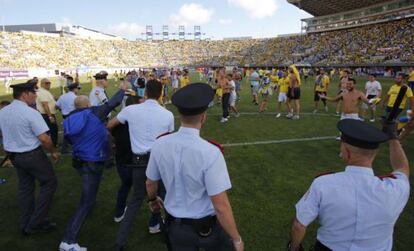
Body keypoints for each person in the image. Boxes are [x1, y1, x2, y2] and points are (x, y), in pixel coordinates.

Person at [146, 83, 244, 251]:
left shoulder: (159, 143)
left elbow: (150, 182)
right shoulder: (211, 152)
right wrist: (237, 239)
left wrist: (153, 199)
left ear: (179, 113)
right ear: (203, 117)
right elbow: (221, 205)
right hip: (207, 229)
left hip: (175, 227)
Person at [288, 119, 410, 251]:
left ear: (346, 152)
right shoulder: (396, 187)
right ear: (375, 154)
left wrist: (294, 247)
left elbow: (299, 225)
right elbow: (402, 168)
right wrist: (393, 138)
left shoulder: (323, 183)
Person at [59, 82, 127, 251]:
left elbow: (68, 140)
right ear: (88, 104)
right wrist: (123, 89)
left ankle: (86, 210)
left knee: (88, 195)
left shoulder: (69, 119)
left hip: (79, 160)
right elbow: (112, 103)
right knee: (86, 201)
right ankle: (68, 241)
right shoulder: (94, 113)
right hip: (92, 161)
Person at [107, 80, 174, 250]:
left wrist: (115, 141)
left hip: (139, 162)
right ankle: (161, 230)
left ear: (145, 93)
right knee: (162, 197)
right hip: (158, 162)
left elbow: (110, 125)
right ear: (160, 94)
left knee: (136, 200)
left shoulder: (131, 110)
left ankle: (119, 242)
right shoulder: (167, 114)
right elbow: (169, 140)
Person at [0, 81, 59, 235]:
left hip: (15, 156)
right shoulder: (30, 113)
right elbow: (44, 139)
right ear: (25, 94)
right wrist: (53, 151)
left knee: (25, 189)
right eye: (33, 92)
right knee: (49, 183)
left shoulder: (4, 111)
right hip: (32, 155)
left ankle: (26, 222)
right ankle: (36, 221)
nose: (35, 95)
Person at [112, 95, 144, 223]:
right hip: (136, 161)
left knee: (126, 186)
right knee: (147, 189)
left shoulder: (117, 122)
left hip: (123, 160)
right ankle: (155, 221)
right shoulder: (140, 122)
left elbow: (112, 134)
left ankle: (119, 213)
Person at [56, 83, 81, 153]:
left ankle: (64, 148)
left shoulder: (62, 96)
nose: (78, 90)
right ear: (74, 89)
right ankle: (77, 148)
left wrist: (62, 109)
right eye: (77, 89)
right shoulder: (75, 97)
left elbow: (57, 106)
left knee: (66, 132)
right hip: (73, 117)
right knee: (77, 132)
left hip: (65, 117)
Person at [36, 78, 58, 146]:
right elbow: (45, 105)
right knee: (53, 130)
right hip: (46, 114)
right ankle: (53, 144)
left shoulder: (44, 91)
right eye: (46, 83)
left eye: (49, 83)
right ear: (42, 84)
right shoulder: (42, 92)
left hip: (47, 114)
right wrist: (50, 116)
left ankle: (51, 143)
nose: (48, 84)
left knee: (51, 130)